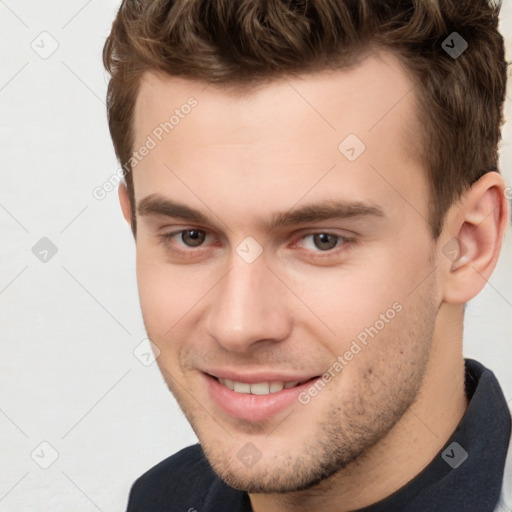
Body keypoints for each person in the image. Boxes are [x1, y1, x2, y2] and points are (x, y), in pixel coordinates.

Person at [102, 1, 512, 510]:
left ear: (468, 245)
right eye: (191, 236)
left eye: (323, 240)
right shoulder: (159, 499)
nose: (239, 325)